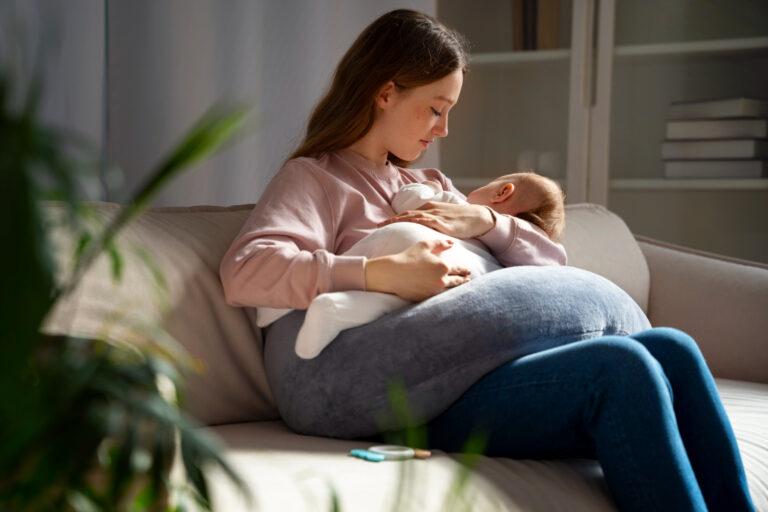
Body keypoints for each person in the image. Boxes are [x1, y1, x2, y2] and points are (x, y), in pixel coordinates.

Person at [219, 9, 756, 512]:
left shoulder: (431, 184)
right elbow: (247, 268)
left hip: (473, 367)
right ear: (386, 93)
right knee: (623, 367)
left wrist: (487, 223)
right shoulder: (318, 179)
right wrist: (378, 272)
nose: (443, 129)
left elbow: (550, 273)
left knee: (672, 348)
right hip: (398, 388)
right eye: (435, 108)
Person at [257, 171, 566, 359]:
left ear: (503, 192)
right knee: (390, 297)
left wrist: (426, 190)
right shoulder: (500, 252)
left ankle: (327, 306)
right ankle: (333, 306)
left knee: (395, 293)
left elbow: (406, 199)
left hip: (413, 244)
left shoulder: (454, 203)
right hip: (429, 255)